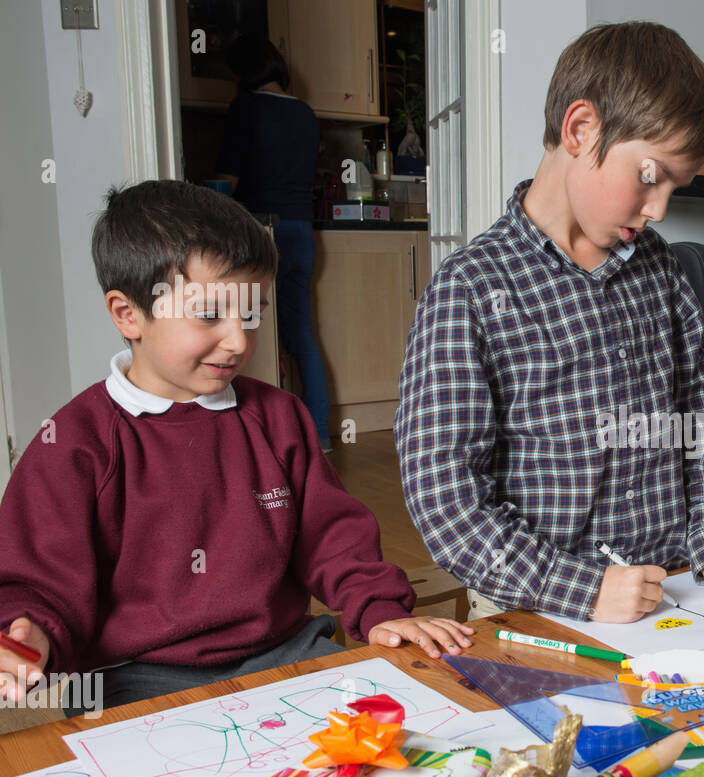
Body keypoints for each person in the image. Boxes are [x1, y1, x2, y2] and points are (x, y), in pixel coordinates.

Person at [0, 180, 471, 715]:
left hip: (283, 650)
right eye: (209, 316)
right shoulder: (73, 443)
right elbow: (36, 581)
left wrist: (380, 608)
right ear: (128, 314)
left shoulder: (277, 416)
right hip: (137, 676)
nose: (238, 340)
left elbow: (331, 536)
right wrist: (30, 633)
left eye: (251, 314)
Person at [396, 21, 704, 623]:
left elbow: (701, 420)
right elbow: (446, 496)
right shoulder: (471, 288)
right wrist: (582, 589)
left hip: (673, 594)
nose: (659, 209)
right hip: (535, 606)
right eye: (652, 176)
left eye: (677, 187)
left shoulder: (661, 270)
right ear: (580, 129)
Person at [215, 36, 332, 451]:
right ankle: (318, 435)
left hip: (260, 232)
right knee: (301, 334)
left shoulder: (245, 109)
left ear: (243, 73)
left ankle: (260, 442)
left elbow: (226, 182)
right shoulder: (305, 113)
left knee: (249, 335)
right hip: (302, 230)